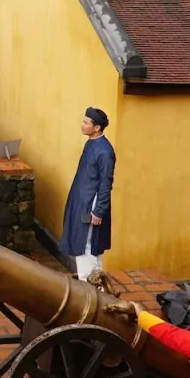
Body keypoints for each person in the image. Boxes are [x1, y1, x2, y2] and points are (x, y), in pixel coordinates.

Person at [58, 107, 115, 280]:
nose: (82, 125)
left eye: (86, 122)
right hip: (81, 202)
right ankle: (97, 285)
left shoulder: (105, 152)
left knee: (86, 245)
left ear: (96, 127)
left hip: (90, 205)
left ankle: (89, 287)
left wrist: (98, 210)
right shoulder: (91, 143)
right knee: (86, 244)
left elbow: (106, 182)